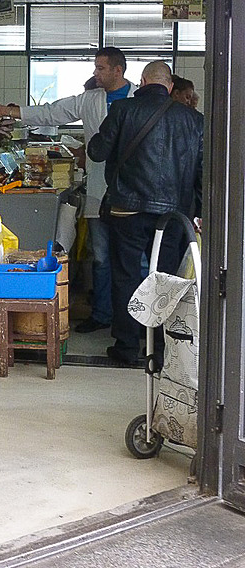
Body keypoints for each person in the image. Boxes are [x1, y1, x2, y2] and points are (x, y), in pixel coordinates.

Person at [0, 46, 137, 333]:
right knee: (101, 257)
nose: (95, 73)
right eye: (95, 67)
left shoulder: (138, 98)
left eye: (101, 68)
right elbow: (52, 112)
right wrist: (9, 111)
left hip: (132, 193)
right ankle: (102, 314)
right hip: (99, 188)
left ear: (118, 70)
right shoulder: (90, 99)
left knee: (133, 260)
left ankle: (132, 321)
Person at [87, 60, 203, 366]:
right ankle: (161, 348)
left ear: (142, 81)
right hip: (174, 214)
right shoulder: (194, 120)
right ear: (169, 86)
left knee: (125, 276)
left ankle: (126, 346)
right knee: (165, 278)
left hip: (127, 209)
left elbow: (97, 152)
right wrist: (201, 211)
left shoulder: (122, 110)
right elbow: (202, 169)